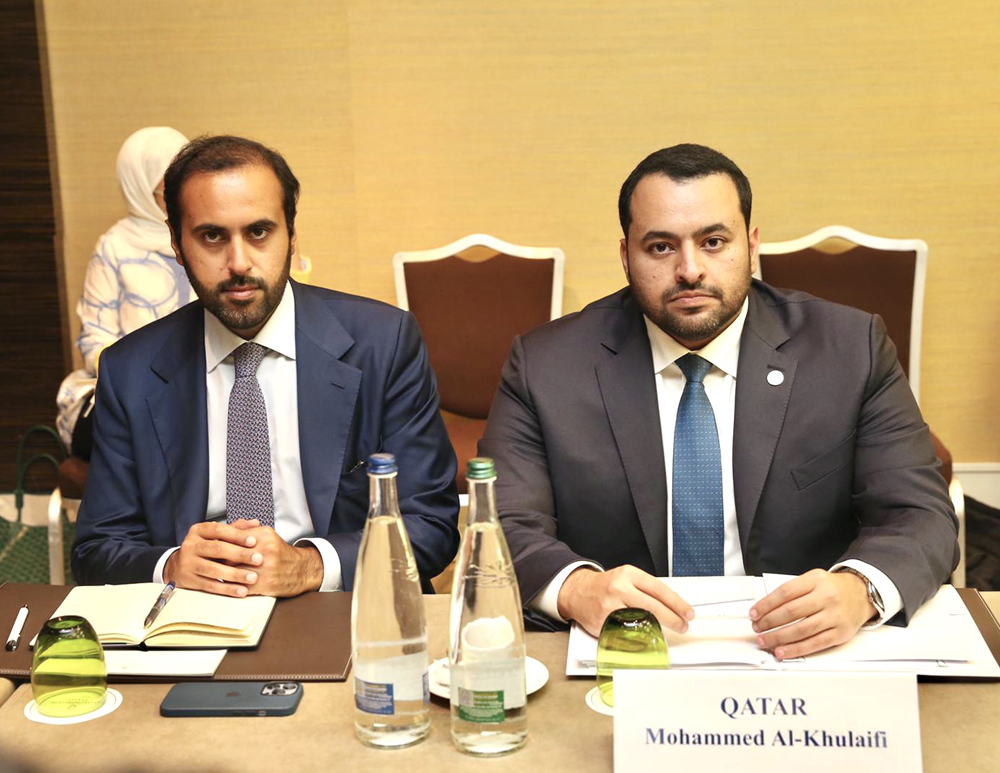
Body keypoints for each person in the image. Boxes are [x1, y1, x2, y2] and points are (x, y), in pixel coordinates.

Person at [479, 143, 959, 659]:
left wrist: (859, 589)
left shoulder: (848, 348)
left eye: (713, 241)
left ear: (751, 247)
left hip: (803, 658)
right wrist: (576, 588)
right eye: (661, 247)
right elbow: (502, 521)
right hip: (621, 656)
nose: (690, 270)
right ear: (626, 257)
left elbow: (919, 513)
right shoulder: (546, 365)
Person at [72, 135, 460, 597]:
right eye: (212, 236)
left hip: (345, 610)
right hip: (195, 619)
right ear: (176, 245)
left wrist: (310, 565)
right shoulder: (130, 370)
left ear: (292, 236)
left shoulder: (384, 343)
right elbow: (96, 548)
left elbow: (431, 525)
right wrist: (172, 565)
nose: (238, 263)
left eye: (258, 232)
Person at [55, 126, 191, 458]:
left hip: (201, 381)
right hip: (130, 383)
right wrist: (142, 379)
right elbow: (94, 340)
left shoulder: (202, 238)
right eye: (168, 189)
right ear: (142, 188)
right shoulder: (114, 247)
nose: (180, 197)